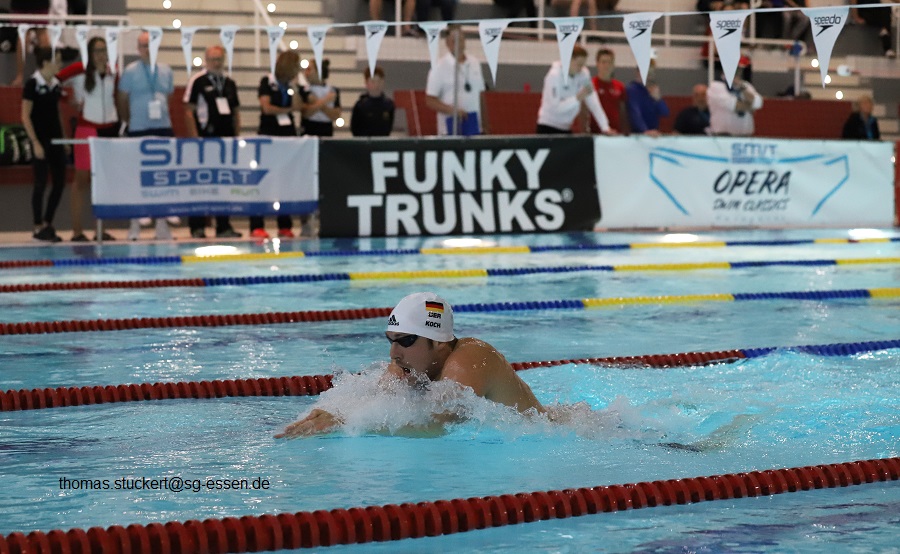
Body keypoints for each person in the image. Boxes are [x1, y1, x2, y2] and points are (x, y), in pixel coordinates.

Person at [276, 292, 545, 438]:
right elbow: (378, 403)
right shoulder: (407, 366)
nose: (394, 353)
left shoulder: (467, 361)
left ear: (438, 343)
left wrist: (347, 423)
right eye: (391, 340)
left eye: (405, 341)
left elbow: (438, 427)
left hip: (551, 434)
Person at [56, 36, 118, 242]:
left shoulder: (114, 72)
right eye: (97, 51)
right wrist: (69, 99)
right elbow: (54, 82)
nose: (101, 55)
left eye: (103, 50)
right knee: (81, 180)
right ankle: (77, 231)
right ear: (90, 53)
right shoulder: (79, 70)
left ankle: (100, 229)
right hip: (87, 128)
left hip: (109, 129)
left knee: (102, 182)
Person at [117, 30, 177, 241]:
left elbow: (167, 98)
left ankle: (162, 225)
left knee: (162, 177)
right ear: (137, 48)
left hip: (163, 126)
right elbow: (122, 99)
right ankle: (135, 224)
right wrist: (127, 121)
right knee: (138, 175)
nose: (147, 48)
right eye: (143, 45)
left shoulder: (166, 70)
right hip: (139, 127)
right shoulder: (130, 71)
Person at [182, 44, 242, 239]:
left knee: (224, 183)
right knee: (201, 183)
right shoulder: (198, 81)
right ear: (206, 60)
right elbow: (189, 110)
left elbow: (236, 113)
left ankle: (223, 225)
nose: (216, 63)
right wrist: (195, 139)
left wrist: (235, 137)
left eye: (219, 59)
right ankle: (197, 226)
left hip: (225, 140)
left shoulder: (229, 83)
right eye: (213, 59)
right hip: (205, 139)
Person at [251, 49, 306, 239]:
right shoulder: (267, 82)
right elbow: (266, 108)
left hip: (287, 137)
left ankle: (285, 225)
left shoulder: (290, 85)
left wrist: (296, 88)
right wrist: (288, 108)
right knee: (263, 181)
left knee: (285, 181)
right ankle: (257, 225)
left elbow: (299, 106)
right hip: (269, 136)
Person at [21, 46, 67, 242]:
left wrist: (64, 139)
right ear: (46, 63)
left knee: (59, 183)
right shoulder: (32, 84)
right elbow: (25, 116)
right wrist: (35, 142)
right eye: (57, 60)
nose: (61, 64)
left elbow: (57, 113)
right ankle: (37, 226)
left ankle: (48, 223)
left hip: (56, 140)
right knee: (40, 184)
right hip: (40, 140)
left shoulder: (56, 84)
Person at [425, 25, 489, 136]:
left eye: (461, 38)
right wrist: (453, 111)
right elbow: (430, 100)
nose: (458, 43)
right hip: (449, 130)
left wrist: (485, 124)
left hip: (474, 128)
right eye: (454, 40)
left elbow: (480, 95)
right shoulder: (439, 67)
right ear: (447, 43)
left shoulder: (475, 63)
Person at [535, 45, 613, 135]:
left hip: (566, 127)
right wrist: (577, 98)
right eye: (579, 64)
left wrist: (605, 127)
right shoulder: (554, 76)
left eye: (583, 65)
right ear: (569, 60)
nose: (581, 68)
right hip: (547, 127)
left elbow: (593, 102)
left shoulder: (584, 74)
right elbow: (556, 108)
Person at [706, 58, 763, 136]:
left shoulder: (746, 86)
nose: (737, 71)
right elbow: (734, 105)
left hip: (745, 135)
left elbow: (758, 103)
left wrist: (741, 88)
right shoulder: (716, 86)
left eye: (738, 68)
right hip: (723, 135)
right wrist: (751, 106)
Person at [9, 0, 52, 87]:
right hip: (38, 4)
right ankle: (47, 76)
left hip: (22, 4)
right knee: (41, 33)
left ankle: (19, 77)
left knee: (23, 34)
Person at [625, 59, 668, 136]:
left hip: (653, 134)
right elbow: (635, 112)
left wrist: (658, 99)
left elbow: (665, 112)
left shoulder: (653, 90)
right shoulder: (632, 90)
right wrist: (645, 130)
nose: (649, 76)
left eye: (651, 73)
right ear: (638, 72)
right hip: (638, 135)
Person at [589, 47, 627, 134]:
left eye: (609, 62)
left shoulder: (620, 87)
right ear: (597, 64)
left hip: (616, 135)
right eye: (603, 62)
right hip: (595, 135)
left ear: (613, 65)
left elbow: (623, 113)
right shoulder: (591, 85)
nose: (606, 65)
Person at [350, 65, 395, 137]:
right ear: (366, 83)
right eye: (373, 81)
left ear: (383, 82)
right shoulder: (360, 106)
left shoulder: (389, 105)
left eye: (379, 81)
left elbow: (388, 128)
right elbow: (355, 129)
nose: (377, 85)